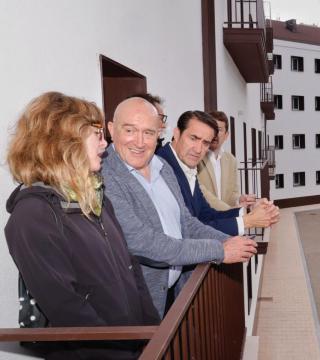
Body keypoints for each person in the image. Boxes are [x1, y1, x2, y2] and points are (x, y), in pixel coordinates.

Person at [4, 92, 160, 359]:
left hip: (133, 344)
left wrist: (154, 330)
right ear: (64, 142)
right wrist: (120, 353)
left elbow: (130, 268)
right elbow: (67, 309)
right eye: (97, 134)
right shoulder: (32, 216)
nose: (105, 143)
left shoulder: (96, 198)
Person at [102, 97, 258, 317]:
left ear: (159, 133)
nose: (139, 142)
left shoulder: (162, 166)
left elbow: (187, 221)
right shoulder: (104, 176)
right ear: (111, 129)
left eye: (148, 132)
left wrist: (226, 240)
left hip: (174, 294)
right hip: (138, 306)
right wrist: (220, 250)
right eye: (130, 130)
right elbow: (143, 242)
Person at [156, 110, 278, 235]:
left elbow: (207, 215)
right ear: (177, 133)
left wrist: (249, 210)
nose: (198, 149)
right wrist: (247, 221)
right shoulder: (160, 167)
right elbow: (186, 230)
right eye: (193, 138)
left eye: (205, 143)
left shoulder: (187, 165)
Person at [197, 110, 256, 211]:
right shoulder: (197, 156)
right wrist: (229, 211)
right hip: (203, 220)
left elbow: (232, 193)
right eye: (212, 128)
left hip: (224, 221)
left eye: (219, 129)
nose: (215, 133)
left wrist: (240, 199)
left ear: (226, 135)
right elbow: (199, 192)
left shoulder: (231, 160)